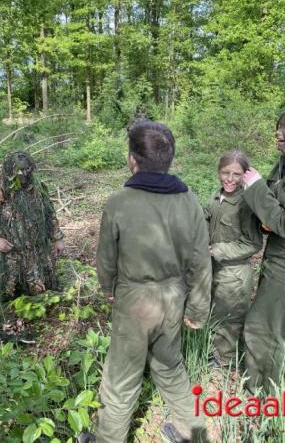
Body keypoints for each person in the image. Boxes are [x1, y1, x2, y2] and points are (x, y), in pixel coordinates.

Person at [80, 120, 212, 443]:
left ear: (132, 160)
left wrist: (108, 286)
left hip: (135, 300)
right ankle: (193, 434)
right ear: (169, 161)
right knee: (170, 367)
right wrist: (196, 308)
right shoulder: (189, 201)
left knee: (122, 378)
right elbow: (200, 261)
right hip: (173, 297)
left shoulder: (119, 202)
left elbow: (106, 258)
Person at [242, 103, 285, 393]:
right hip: (278, 256)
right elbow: (274, 209)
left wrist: (256, 186)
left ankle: (265, 395)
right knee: (276, 323)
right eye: (279, 126)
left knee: (261, 325)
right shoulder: (284, 166)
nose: (279, 133)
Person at [0, 151, 64, 300]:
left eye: (27, 169)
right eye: (19, 170)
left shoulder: (38, 188)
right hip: (10, 255)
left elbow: (50, 215)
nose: (23, 174)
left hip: (37, 252)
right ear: (10, 170)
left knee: (42, 291)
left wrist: (57, 238)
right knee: (8, 294)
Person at [205, 151, 262, 367]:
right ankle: (214, 354)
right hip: (215, 269)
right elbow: (207, 218)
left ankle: (225, 362)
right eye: (225, 172)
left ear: (245, 175)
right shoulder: (216, 195)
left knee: (229, 319)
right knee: (215, 314)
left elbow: (253, 243)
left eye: (236, 174)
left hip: (234, 275)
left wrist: (217, 250)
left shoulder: (247, 203)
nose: (230, 179)